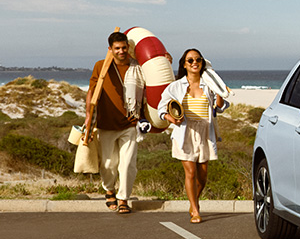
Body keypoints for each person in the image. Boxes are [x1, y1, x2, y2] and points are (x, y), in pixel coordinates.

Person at [158, 49, 228, 223]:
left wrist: (219, 89)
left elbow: (220, 107)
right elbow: (161, 107)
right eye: (190, 60)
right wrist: (170, 118)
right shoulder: (176, 86)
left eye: (198, 59)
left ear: (202, 63)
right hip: (185, 132)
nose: (194, 62)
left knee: (202, 177)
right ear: (184, 64)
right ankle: (195, 210)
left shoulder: (208, 84)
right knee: (190, 172)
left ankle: (192, 202)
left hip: (205, 132)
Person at [85, 31, 147, 214]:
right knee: (108, 164)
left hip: (130, 123)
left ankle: (123, 198)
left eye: (124, 48)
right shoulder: (101, 66)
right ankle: (109, 190)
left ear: (128, 47)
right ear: (110, 49)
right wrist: (88, 116)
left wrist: (167, 59)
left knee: (128, 164)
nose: (121, 51)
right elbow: (91, 92)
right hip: (106, 123)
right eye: (117, 48)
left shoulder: (137, 67)